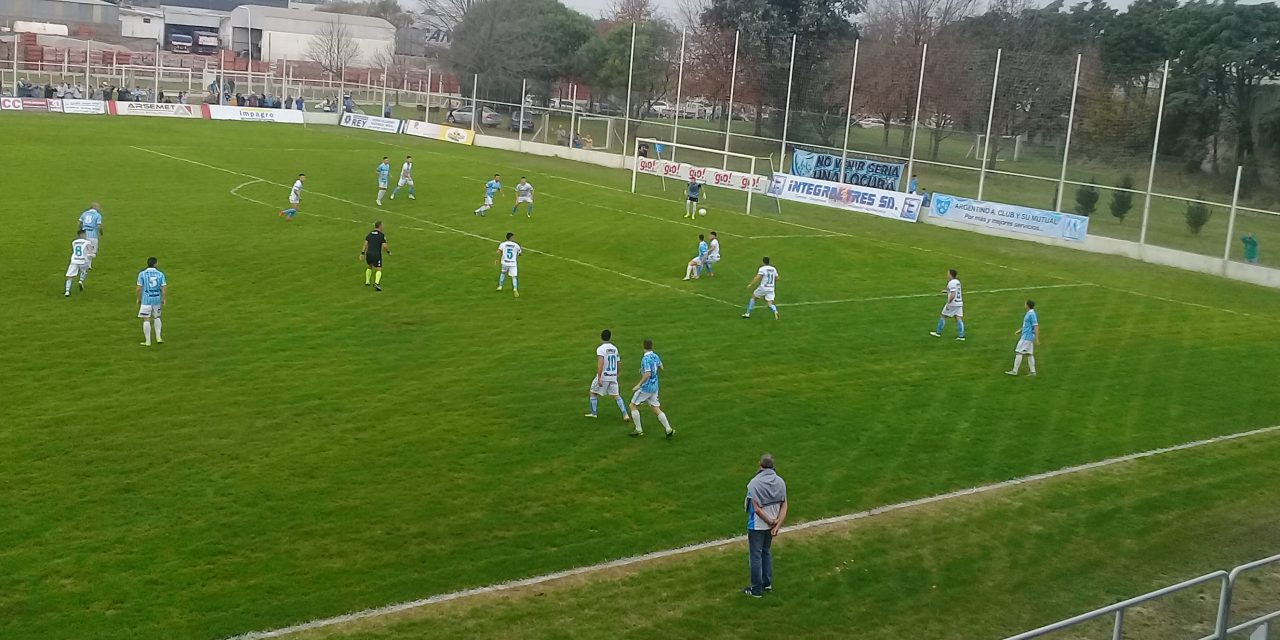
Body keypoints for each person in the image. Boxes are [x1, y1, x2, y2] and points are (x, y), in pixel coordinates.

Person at [743, 453, 788, 598]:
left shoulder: (754, 483)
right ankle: (767, 583)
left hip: (757, 525)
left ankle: (756, 589)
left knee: (755, 556)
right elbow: (784, 504)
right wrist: (776, 525)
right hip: (772, 525)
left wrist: (769, 521)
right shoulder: (780, 481)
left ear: (760, 465)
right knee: (766, 552)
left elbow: (756, 508)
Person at [627, 338, 673, 438]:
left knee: (632, 405)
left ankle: (638, 429)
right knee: (656, 408)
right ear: (652, 346)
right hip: (655, 386)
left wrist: (639, 384)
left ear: (643, 346)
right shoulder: (655, 356)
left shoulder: (645, 359)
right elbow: (661, 367)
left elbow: (647, 373)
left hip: (646, 387)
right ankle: (668, 429)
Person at [585, 329, 631, 422]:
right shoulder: (614, 348)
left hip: (604, 375)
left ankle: (593, 413)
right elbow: (618, 362)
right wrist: (617, 373)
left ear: (601, 337)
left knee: (593, 392)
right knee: (616, 395)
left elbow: (601, 363)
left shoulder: (600, 349)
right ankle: (625, 414)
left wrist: (599, 377)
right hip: (613, 375)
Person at [136, 257, 168, 347]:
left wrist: (138, 298)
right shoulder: (160, 274)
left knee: (146, 319)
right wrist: (164, 298)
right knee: (157, 317)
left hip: (146, 299)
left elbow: (139, 288)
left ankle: (148, 341)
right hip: (156, 299)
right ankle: (159, 338)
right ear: (156, 264)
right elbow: (164, 288)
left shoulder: (142, 274)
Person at [1006, 300, 1040, 376]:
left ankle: (1014, 371)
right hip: (1028, 336)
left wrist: (1037, 339)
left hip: (1026, 337)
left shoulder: (1031, 314)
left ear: (1027, 305)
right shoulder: (1030, 313)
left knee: (1018, 352)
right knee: (1029, 354)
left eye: (1025, 304)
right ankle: (1033, 372)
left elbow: (1035, 326)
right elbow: (1027, 325)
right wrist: (1020, 330)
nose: (1024, 305)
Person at [930, 268, 965, 341]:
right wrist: (946, 291)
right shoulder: (957, 281)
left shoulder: (951, 282)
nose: (947, 275)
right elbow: (955, 290)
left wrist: (949, 303)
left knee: (943, 316)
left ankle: (938, 333)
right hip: (959, 302)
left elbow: (953, 293)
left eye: (948, 274)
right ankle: (961, 336)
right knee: (958, 318)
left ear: (951, 275)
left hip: (953, 303)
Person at [361, 221, 391, 291]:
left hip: (369, 253)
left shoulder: (370, 234)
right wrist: (388, 252)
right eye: (382, 226)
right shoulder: (381, 235)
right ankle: (376, 283)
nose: (383, 227)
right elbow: (384, 245)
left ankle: (367, 281)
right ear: (380, 226)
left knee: (370, 266)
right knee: (379, 268)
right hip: (376, 254)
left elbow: (365, 243)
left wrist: (362, 253)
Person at [63, 230, 92, 297]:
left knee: (70, 276)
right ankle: (81, 280)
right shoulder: (87, 242)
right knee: (84, 271)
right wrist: (91, 255)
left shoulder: (74, 242)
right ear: (83, 235)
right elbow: (90, 252)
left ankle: (67, 291)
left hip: (74, 260)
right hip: (82, 260)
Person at [77, 203, 103, 269]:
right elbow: (99, 226)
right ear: (95, 207)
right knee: (92, 251)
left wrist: (81, 231)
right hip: (93, 235)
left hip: (84, 234)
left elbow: (79, 223)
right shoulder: (98, 215)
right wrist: (101, 233)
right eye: (98, 207)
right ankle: (88, 265)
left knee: (85, 249)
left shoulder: (84, 213)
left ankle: (85, 264)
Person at [496, 232, 521, 297]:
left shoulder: (503, 244)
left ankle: (500, 286)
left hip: (505, 262)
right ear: (511, 237)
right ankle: (515, 289)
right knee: (514, 277)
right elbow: (520, 253)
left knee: (503, 273)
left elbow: (498, 251)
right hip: (512, 263)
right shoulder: (516, 245)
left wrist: (497, 260)